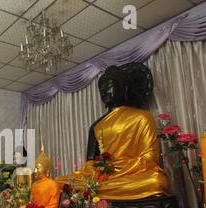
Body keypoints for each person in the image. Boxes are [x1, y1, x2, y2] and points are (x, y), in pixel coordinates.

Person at [56, 63, 170, 200]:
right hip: (103, 179)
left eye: (108, 86)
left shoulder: (142, 117)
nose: (104, 91)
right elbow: (90, 162)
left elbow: (151, 159)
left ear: (123, 88)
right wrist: (98, 169)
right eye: (101, 89)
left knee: (157, 181)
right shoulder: (96, 126)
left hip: (131, 176)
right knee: (58, 182)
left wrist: (116, 168)